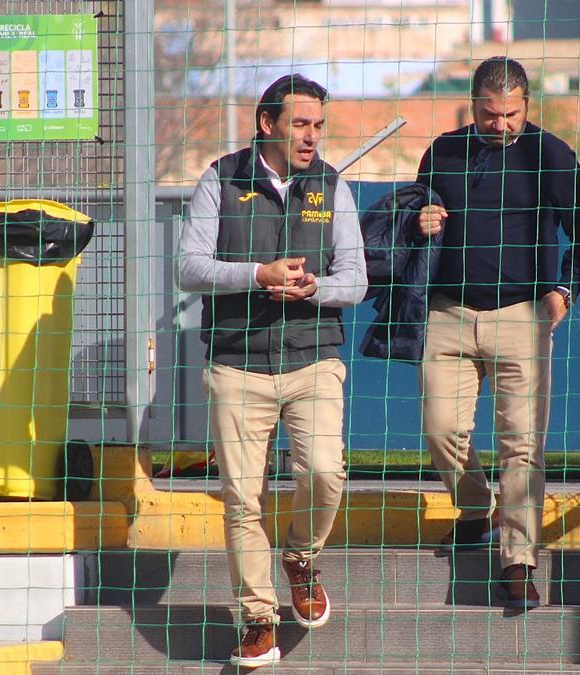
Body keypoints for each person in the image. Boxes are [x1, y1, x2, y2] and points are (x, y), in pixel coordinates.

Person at [178, 73, 367, 668]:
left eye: (319, 126)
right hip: (237, 365)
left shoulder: (332, 186)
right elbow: (190, 266)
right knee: (242, 500)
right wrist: (257, 274)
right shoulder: (221, 179)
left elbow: (356, 281)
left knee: (325, 472)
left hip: (313, 359)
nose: (312, 138)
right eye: (301, 125)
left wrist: (314, 288)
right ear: (269, 125)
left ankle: (301, 556)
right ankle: (259, 620)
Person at [415, 57, 580, 610]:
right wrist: (419, 219)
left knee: (522, 446)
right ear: (472, 104)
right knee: (441, 430)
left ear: (527, 104)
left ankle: (518, 561)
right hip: (447, 314)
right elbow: (414, 218)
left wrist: (564, 291)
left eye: (512, 114)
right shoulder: (443, 151)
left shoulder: (550, 153)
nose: (502, 125)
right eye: (491, 114)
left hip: (523, 317)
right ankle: (477, 507)